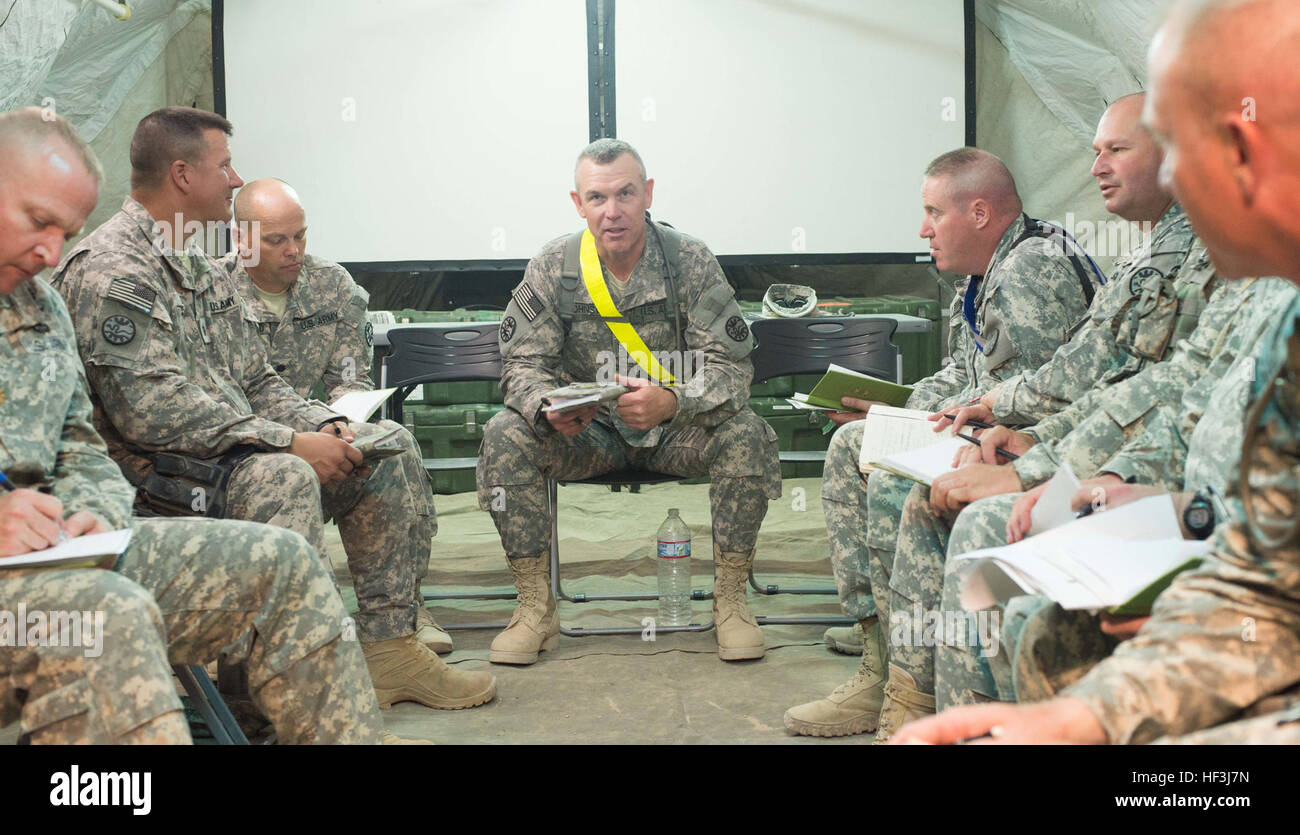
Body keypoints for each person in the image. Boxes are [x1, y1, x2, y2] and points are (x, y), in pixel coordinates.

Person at [895, 0, 1300, 745]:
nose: (1171, 183)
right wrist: (1078, 720)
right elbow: (1268, 568)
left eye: (1171, 149)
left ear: (1241, 150)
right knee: (1035, 616)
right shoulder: (1279, 299)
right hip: (1197, 535)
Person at [51, 107, 493, 711]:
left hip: (225, 459)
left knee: (384, 446)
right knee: (284, 478)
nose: (235, 180)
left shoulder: (197, 268)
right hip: (158, 481)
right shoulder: (115, 270)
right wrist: (285, 444)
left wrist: (320, 424)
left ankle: (390, 649)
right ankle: (272, 694)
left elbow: (255, 379)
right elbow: (152, 411)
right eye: (224, 165)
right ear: (182, 175)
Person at [0, 106, 383, 744]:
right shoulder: (110, 270)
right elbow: (146, 412)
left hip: (59, 552)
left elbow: (79, 447)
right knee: (108, 618)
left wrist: (91, 514)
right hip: (139, 494)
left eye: (65, 232)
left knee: (281, 560)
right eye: (38, 222)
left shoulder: (36, 307)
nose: (50, 252)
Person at [786, 147, 1101, 738]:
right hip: (987, 428)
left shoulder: (1032, 268)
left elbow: (1052, 394)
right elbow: (966, 374)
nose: (923, 229)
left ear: (979, 213)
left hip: (1036, 447)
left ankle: (909, 682)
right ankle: (882, 643)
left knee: (886, 478)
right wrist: (899, 405)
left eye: (934, 212)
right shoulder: (984, 274)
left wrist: (954, 422)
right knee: (855, 441)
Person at [476, 138, 782, 664]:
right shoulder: (555, 265)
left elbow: (733, 369)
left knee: (745, 432)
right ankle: (535, 607)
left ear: (648, 194)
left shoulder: (688, 260)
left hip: (674, 433)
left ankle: (730, 601)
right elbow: (521, 366)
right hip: (589, 436)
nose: (612, 212)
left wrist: (673, 401)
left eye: (625, 194)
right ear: (578, 203)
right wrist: (551, 407)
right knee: (505, 434)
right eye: (597, 198)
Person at [226, 177, 447, 654]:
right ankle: (317, 640)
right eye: (277, 240)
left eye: (300, 235)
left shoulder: (333, 287)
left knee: (391, 440)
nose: (294, 250)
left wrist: (340, 421)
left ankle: (402, 608)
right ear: (241, 238)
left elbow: (349, 377)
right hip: (250, 451)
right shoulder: (213, 295)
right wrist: (304, 434)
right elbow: (232, 397)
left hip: (323, 428)